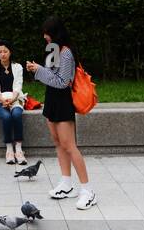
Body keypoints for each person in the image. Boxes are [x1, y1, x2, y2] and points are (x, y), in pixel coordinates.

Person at [26, 16, 95, 209]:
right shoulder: (53, 50)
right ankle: (66, 183)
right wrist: (39, 70)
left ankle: (88, 190)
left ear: (56, 33)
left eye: (48, 32)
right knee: (57, 142)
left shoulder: (66, 53)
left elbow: (62, 82)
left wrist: (38, 70)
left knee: (69, 145)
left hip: (63, 100)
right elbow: (50, 77)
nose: (44, 36)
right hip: (51, 100)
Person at [0, 40, 26, 165]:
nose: (3, 54)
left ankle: (19, 149)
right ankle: (9, 149)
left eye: (5, 51)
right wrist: (2, 99)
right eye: (0, 51)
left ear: (10, 52)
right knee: (6, 117)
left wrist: (13, 99)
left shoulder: (17, 67)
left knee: (16, 115)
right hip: (0, 100)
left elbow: (18, 84)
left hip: (15, 100)